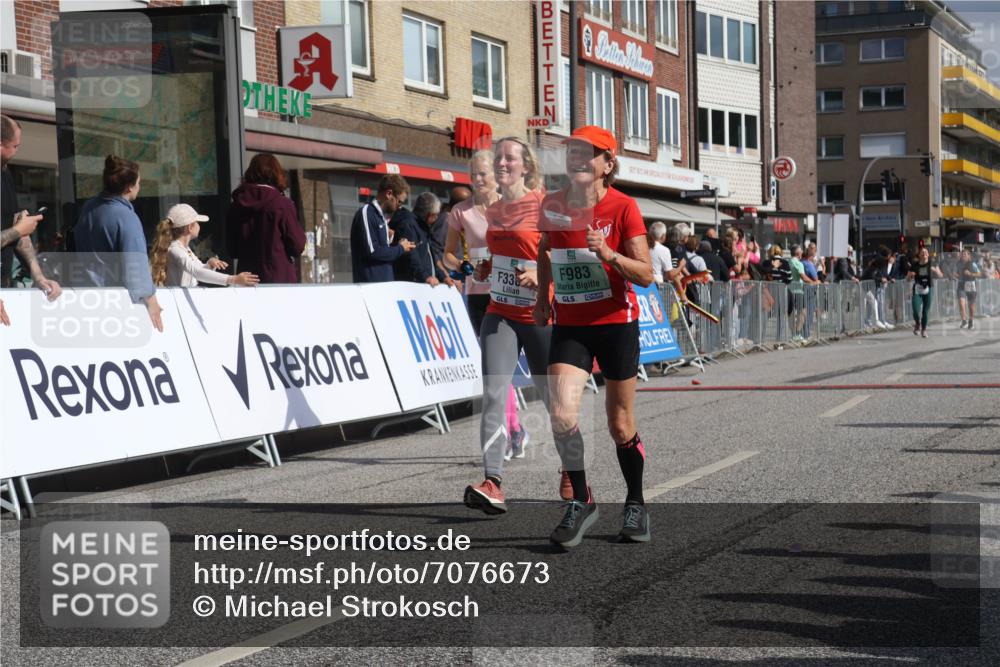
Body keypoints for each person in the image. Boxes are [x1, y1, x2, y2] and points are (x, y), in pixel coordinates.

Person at [534, 125, 654, 548]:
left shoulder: (623, 207)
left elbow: (645, 275)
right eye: (573, 152)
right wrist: (542, 296)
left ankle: (635, 502)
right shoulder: (552, 204)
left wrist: (608, 254)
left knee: (619, 425)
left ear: (608, 164)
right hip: (571, 324)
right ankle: (582, 500)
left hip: (616, 324)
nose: (579, 159)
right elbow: (545, 251)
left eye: (590, 153)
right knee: (562, 414)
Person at [462, 137, 552, 514]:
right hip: (500, 312)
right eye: (497, 158)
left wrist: (539, 272)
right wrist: (486, 268)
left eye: (508, 158)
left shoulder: (547, 205)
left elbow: (564, 257)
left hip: (539, 314)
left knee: (554, 401)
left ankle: (572, 472)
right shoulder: (495, 210)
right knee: (495, 396)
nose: (500, 163)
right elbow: (498, 256)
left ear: (526, 166)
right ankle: (493, 480)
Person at [443, 151, 528, 461]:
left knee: (501, 369)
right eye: (474, 175)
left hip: (512, 293)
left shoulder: (510, 207)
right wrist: (462, 265)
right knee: (494, 370)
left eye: (484, 174)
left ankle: (513, 430)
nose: (478, 180)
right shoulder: (461, 213)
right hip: (479, 295)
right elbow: (447, 254)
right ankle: (512, 431)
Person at [74, 155, 163, 331]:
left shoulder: (89, 208)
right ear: (129, 187)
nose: (139, 186)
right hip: (116, 303)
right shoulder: (126, 218)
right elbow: (136, 266)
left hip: (85, 297)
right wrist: (152, 300)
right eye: (138, 182)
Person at [1, 114, 61, 299]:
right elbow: (17, 231)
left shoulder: (5, 174)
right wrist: (18, 229)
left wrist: (39, 276)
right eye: (15, 146)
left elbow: (18, 235)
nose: (17, 151)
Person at [226, 154, 305, 283]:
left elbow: (232, 250)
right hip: (279, 278)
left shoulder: (235, 206)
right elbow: (297, 245)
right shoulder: (282, 204)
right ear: (276, 173)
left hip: (247, 279)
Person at [149, 203, 259, 287]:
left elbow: (199, 269)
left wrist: (209, 265)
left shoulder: (184, 248)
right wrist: (233, 279)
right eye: (197, 222)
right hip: (178, 303)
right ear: (190, 227)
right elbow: (197, 272)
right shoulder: (175, 250)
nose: (199, 226)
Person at [350, 174, 415, 282]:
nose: (399, 207)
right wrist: (400, 248)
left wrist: (394, 242)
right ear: (389, 194)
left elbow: (382, 251)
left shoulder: (381, 217)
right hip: (370, 287)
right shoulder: (367, 213)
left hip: (384, 286)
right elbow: (373, 251)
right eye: (399, 201)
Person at [392, 191, 448, 286]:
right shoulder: (408, 225)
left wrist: (443, 277)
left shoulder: (423, 228)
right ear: (427, 214)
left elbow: (430, 259)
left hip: (425, 282)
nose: (436, 218)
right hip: (412, 285)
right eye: (434, 215)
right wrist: (425, 276)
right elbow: (411, 256)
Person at [907, 247, 942, 338]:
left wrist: (935, 270)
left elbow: (940, 275)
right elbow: (907, 279)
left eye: (926, 252)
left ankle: (924, 329)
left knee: (925, 311)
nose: (924, 253)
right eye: (922, 252)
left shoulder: (932, 263)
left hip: (928, 288)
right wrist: (910, 276)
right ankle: (917, 324)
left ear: (928, 254)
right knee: (915, 309)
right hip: (917, 289)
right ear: (919, 255)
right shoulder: (915, 265)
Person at [958, 248, 981, 330]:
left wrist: (970, 273)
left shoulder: (973, 264)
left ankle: (971, 320)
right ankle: (964, 320)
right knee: (961, 303)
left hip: (971, 284)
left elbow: (979, 274)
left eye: (965, 254)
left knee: (971, 306)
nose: (963, 255)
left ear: (968, 256)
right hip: (961, 284)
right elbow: (956, 272)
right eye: (962, 254)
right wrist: (955, 275)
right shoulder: (959, 264)